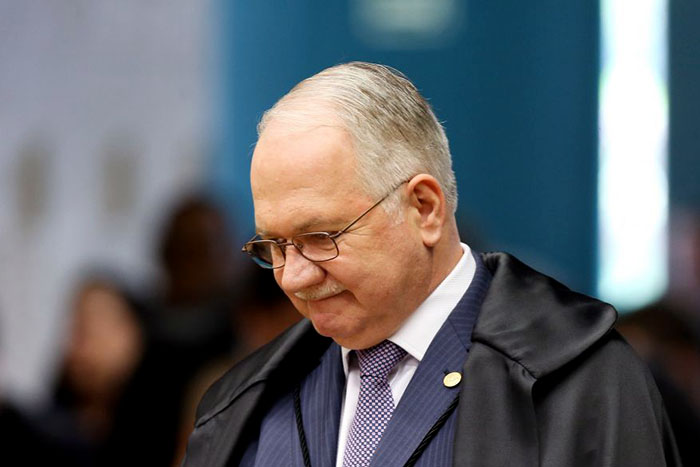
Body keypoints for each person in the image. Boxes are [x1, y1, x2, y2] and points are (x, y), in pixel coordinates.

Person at [183, 62, 680, 466]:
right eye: (274, 245)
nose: (294, 276)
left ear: (424, 209)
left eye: (320, 238)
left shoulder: (579, 382)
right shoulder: (245, 405)